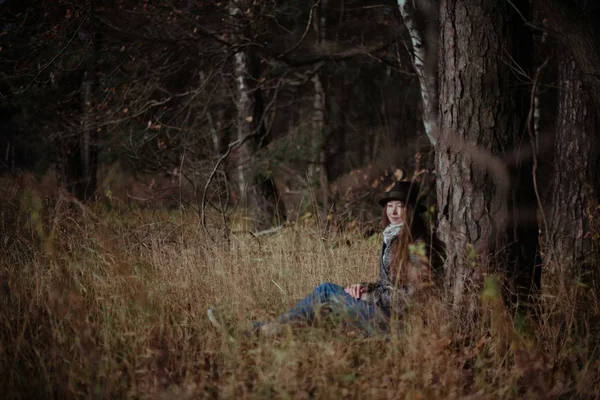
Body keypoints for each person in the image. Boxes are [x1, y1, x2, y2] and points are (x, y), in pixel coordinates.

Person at [208, 181, 436, 338]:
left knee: (327, 292)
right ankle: (260, 331)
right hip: (382, 312)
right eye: (390, 206)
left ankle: (258, 331)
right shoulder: (392, 237)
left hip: (394, 322)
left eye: (401, 206)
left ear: (412, 210)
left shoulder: (417, 245)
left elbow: (415, 295)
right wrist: (365, 287)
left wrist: (372, 296)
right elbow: (390, 282)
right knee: (323, 309)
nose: (393, 211)